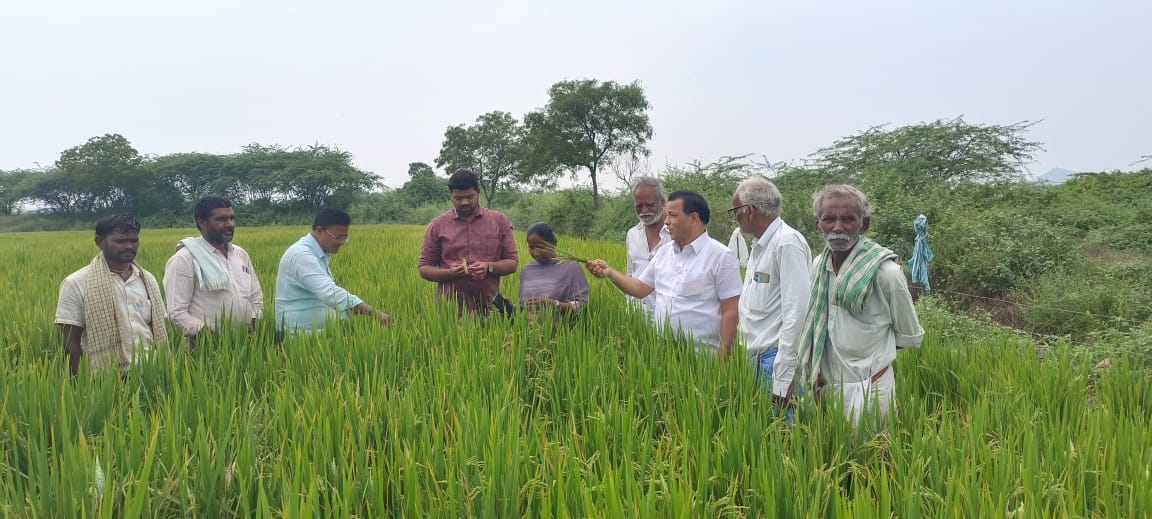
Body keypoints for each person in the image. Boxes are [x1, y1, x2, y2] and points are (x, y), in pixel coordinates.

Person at [797, 184, 924, 433]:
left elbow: (908, 336)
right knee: (830, 460)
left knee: (871, 466)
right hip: (827, 387)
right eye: (829, 219)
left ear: (863, 224)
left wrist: (866, 352)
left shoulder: (886, 273)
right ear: (817, 224)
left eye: (848, 219)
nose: (838, 227)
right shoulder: (819, 267)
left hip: (871, 388)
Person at [587, 191, 742, 356]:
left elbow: (731, 311)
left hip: (702, 358)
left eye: (673, 216)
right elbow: (640, 288)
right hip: (663, 353)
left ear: (694, 218)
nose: (666, 222)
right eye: (667, 216)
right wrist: (609, 272)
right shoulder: (664, 253)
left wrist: (723, 361)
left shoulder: (721, 256)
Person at [731, 177, 812, 412]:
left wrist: (785, 375)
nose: (734, 217)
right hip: (754, 358)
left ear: (749, 211)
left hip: (774, 360)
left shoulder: (786, 243)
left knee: (782, 437)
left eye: (735, 211)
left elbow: (797, 312)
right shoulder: (760, 246)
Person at [55, 214, 169, 375]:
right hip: (105, 377)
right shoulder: (76, 283)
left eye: (134, 241)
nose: (129, 246)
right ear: (100, 242)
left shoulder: (147, 279)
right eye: (120, 241)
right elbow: (70, 343)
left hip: (153, 372)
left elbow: (157, 328)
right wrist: (82, 387)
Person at [274, 208, 392, 335]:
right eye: (338, 237)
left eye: (345, 237)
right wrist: (374, 313)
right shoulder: (301, 255)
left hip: (317, 334)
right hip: (300, 335)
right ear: (319, 230)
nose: (342, 243)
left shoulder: (318, 252)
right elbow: (329, 292)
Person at [418, 169, 519, 315]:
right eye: (458, 198)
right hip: (450, 310)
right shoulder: (438, 225)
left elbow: (512, 262)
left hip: (489, 307)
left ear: (478, 192)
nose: (464, 202)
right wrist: (450, 273)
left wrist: (488, 267)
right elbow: (424, 268)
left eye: (469, 196)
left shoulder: (499, 221)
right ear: (451, 195)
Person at [164, 196, 263, 343]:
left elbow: (255, 297)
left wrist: (254, 325)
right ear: (202, 222)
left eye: (231, 218)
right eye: (221, 219)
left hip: (246, 343)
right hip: (204, 348)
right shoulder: (184, 259)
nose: (230, 224)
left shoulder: (240, 254)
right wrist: (212, 338)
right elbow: (177, 313)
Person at [517, 222, 590, 323]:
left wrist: (553, 304)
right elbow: (524, 308)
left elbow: (582, 304)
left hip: (561, 335)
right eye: (531, 248)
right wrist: (510, 308)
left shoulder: (571, 268)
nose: (536, 253)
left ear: (554, 243)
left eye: (541, 247)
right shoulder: (527, 271)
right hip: (527, 336)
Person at [624, 176, 671, 315]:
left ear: (662, 203)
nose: (644, 210)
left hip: (667, 316)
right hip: (637, 314)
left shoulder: (676, 235)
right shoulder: (632, 235)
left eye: (649, 204)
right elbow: (631, 273)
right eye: (639, 206)